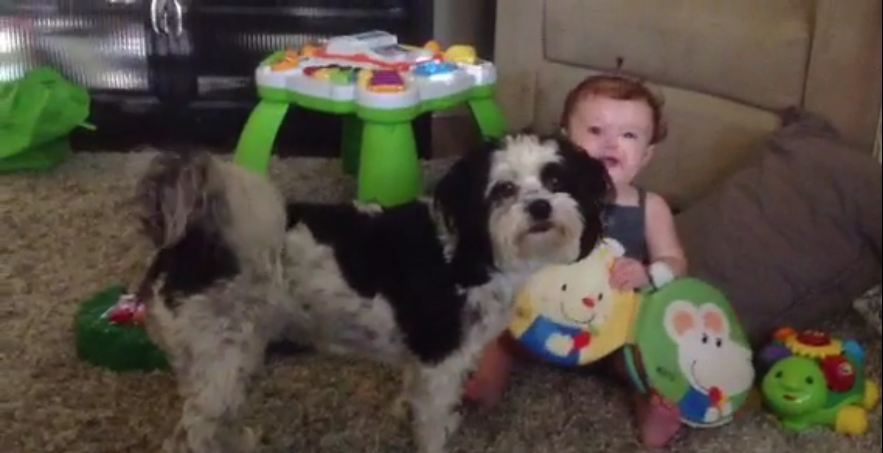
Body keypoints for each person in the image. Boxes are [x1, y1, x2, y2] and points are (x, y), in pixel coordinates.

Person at [464, 74, 689, 447]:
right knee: (499, 332)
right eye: (597, 129)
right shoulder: (549, 199)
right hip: (538, 320)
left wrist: (650, 273)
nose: (611, 143)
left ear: (647, 154)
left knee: (642, 356)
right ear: (565, 142)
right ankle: (483, 385)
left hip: (612, 327)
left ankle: (652, 413)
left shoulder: (651, 207)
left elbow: (676, 261)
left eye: (630, 136)